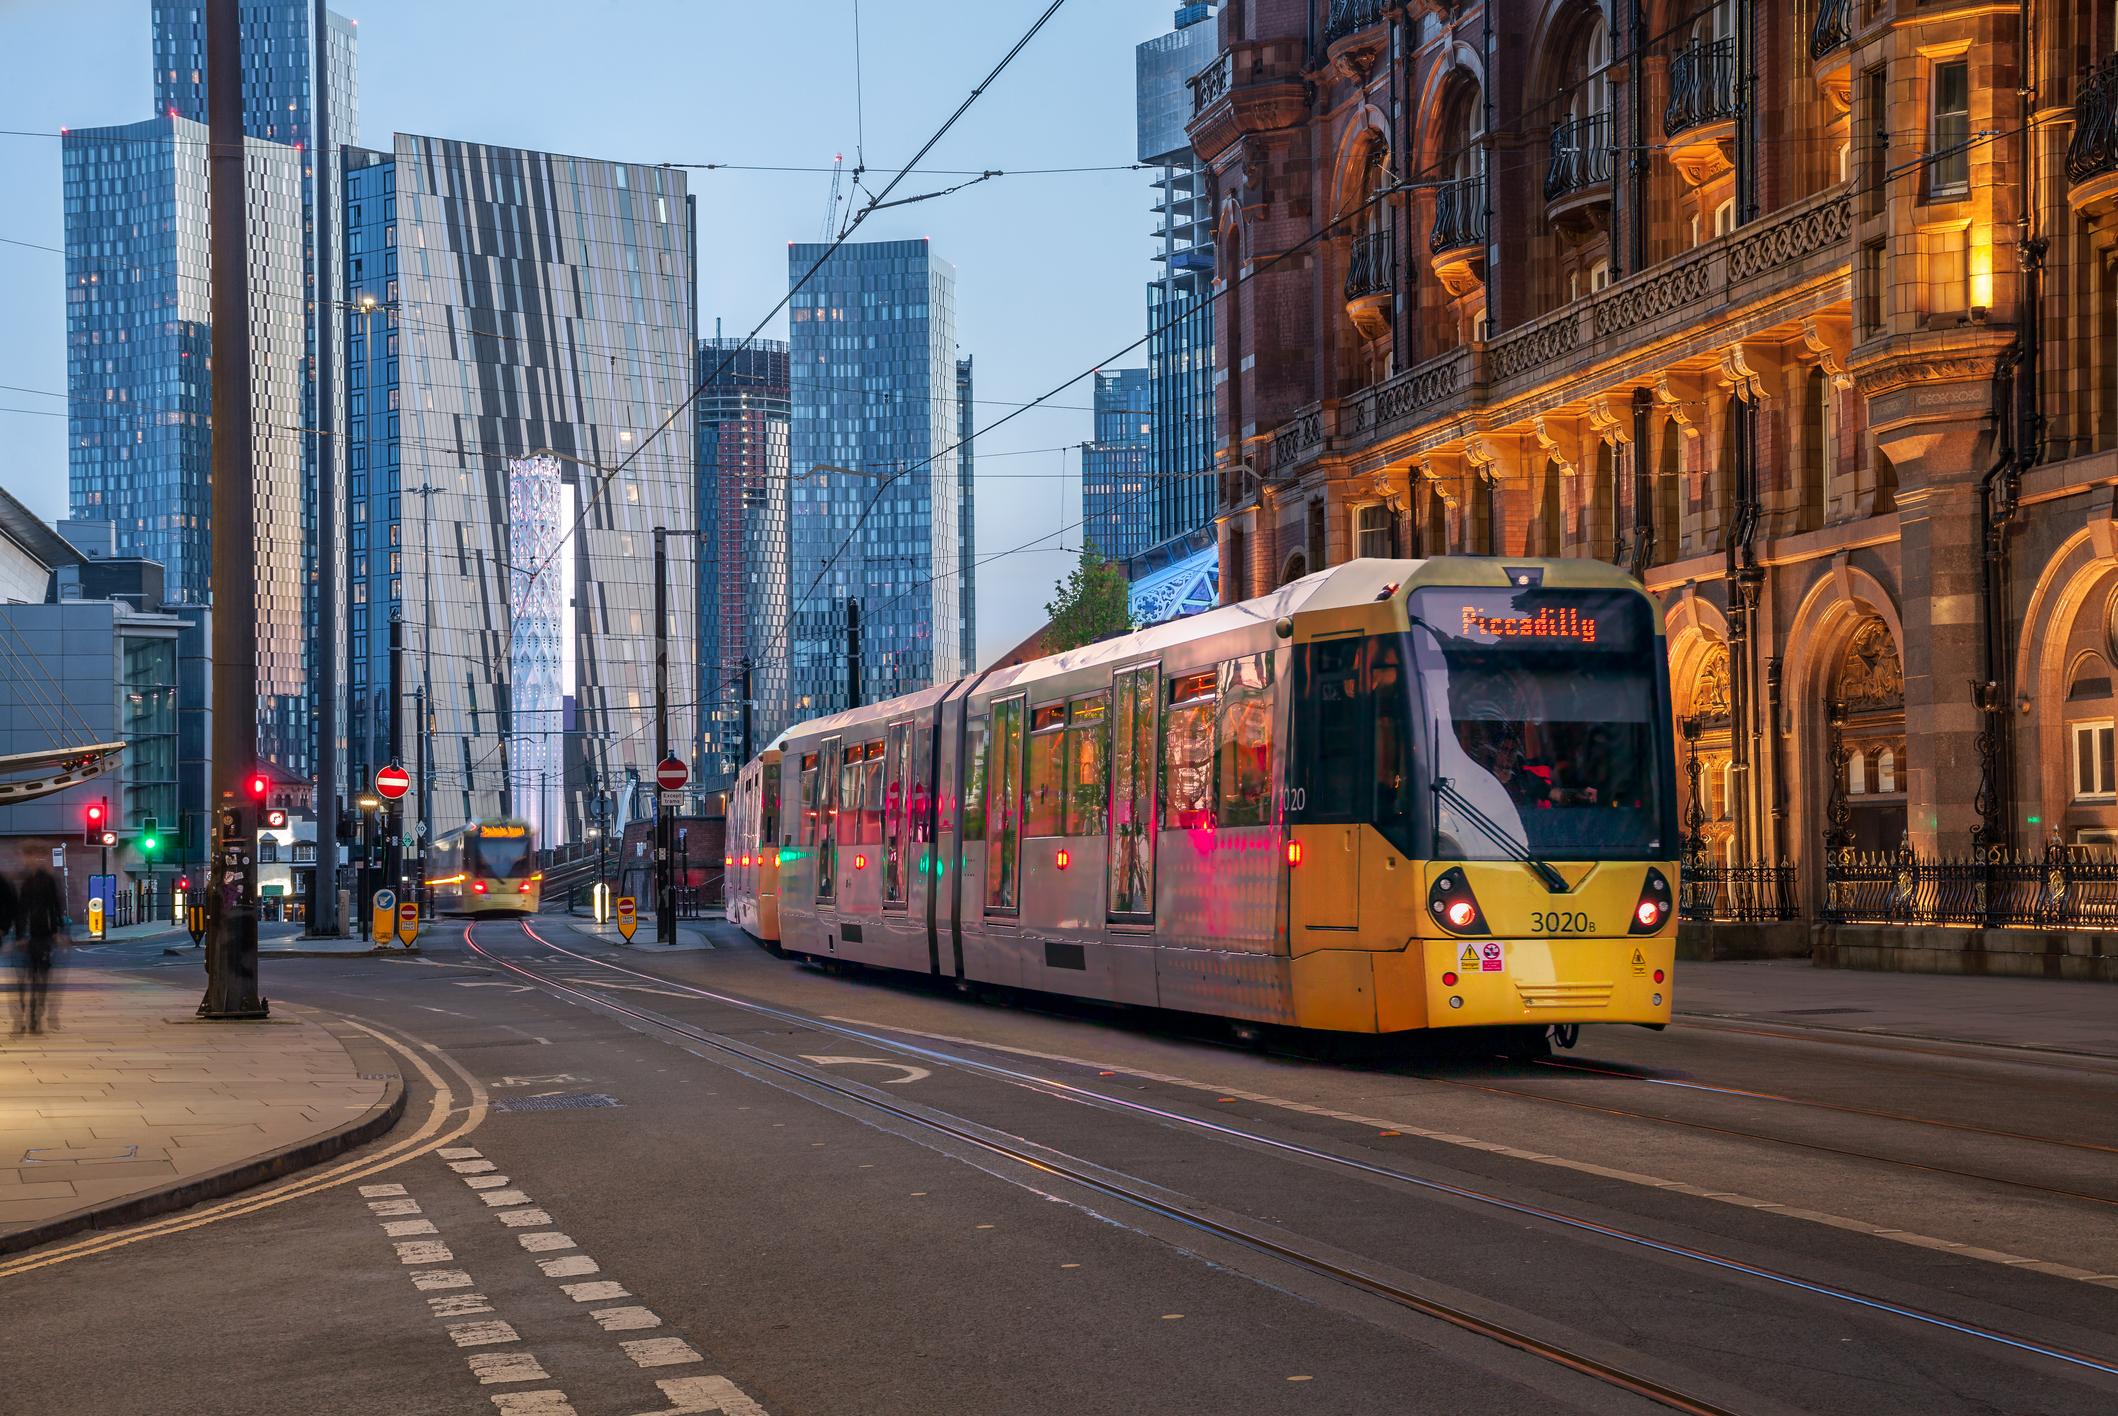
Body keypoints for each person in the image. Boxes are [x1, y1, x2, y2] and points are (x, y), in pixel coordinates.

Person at [14, 847, 67, 1034]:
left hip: (44, 935)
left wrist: (57, 931)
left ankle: (36, 1015)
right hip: (28, 937)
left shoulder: (48, 880)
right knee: (27, 977)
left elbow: (55, 906)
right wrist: (19, 935)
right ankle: (28, 1014)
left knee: (41, 977)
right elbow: (20, 910)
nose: (30, 861)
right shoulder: (25, 880)